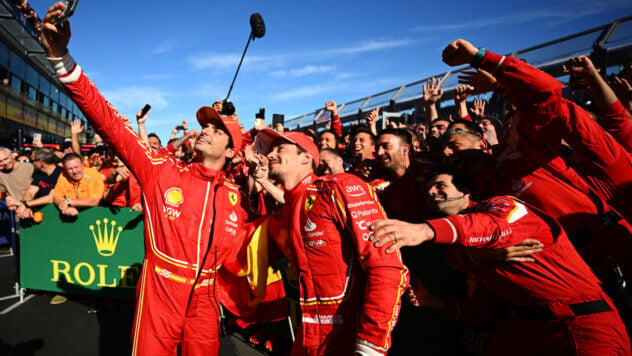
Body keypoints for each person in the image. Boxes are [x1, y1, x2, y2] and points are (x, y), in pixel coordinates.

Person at [40, 4, 254, 355]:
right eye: (206, 125)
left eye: (217, 131)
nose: (205, 131)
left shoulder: (234, 196)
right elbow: (109, 121)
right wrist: (62, 57)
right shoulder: (162, 168)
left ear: (232, 152)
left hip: (205, 296)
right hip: (161, 289)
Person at [371, 168, 631, 355]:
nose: (432, 192)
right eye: (428, 191)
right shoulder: (461, 251)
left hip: (583, 325)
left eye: (440, 186)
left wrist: (425, 231)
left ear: (465, 192)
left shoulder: (503, 204)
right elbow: (482, 311)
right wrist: (433, 301)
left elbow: (494, 227)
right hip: (521, 330)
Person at [253, 128, 409, 355]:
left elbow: (387, 266)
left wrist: (371, 344)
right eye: (270, 150)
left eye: (280, 149)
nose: (271, 155)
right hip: (307, 332)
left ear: (306, 158)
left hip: (347, 335)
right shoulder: (289, 208)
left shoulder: (338, 187)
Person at [13, 148, 63, 219]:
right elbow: (30, 193)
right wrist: (26, 208)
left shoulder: (62, 174)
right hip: (41, 215)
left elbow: (51, 197)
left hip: (59, 214)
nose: (31, 163)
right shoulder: (39, 174)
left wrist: (27, 204)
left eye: (32, 161)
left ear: (40, 162)